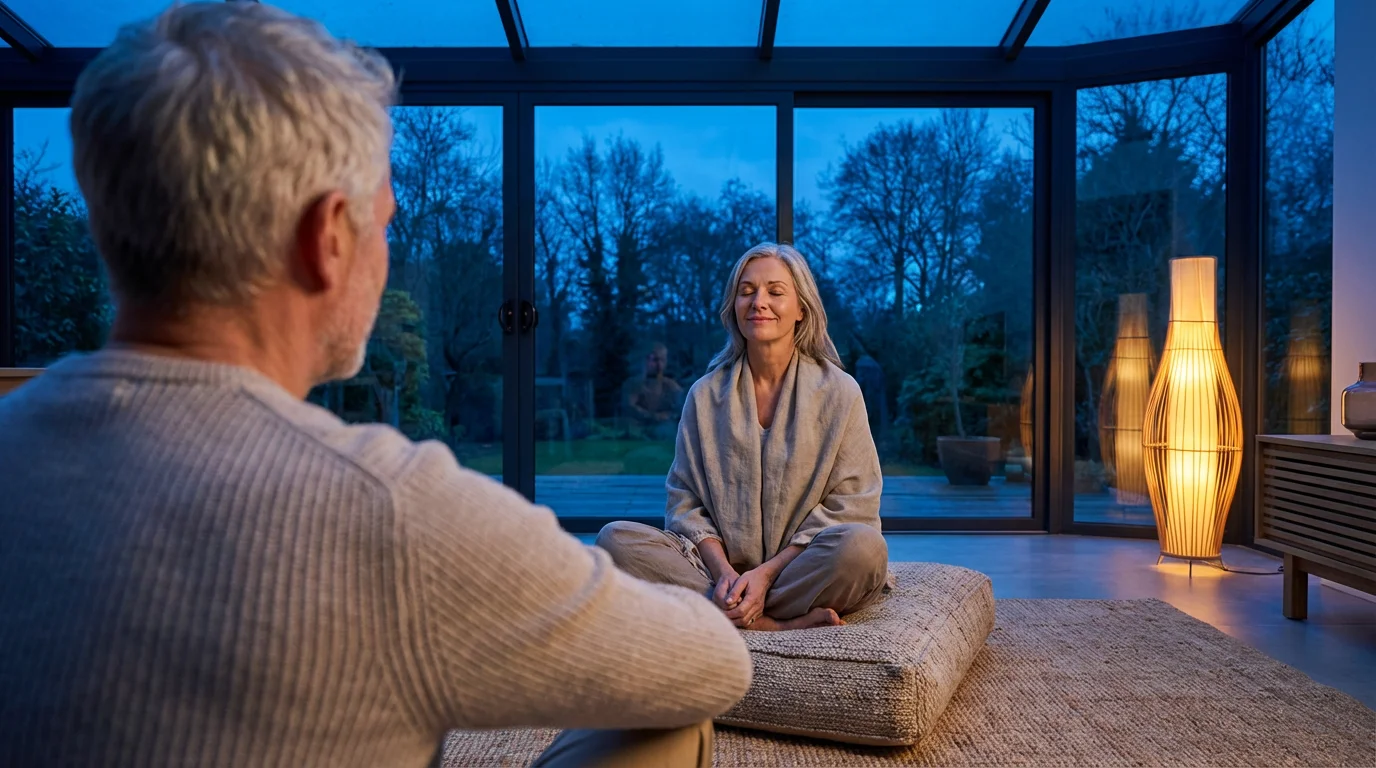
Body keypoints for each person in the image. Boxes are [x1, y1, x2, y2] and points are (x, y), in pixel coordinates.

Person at [0, 4, 750, 767]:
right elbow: (715, 665)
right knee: (672, 719)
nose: (385, 251)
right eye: (384, 223)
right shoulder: (392, 509)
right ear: (327, 239)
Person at [597, 243, 890, 632]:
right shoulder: (705, 395)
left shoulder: (840, 392)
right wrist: (723, 576)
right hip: (718, 573)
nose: (759, 302)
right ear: (733, 306)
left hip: (797, 568)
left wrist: (766, 574)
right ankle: (771, 622)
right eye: (747, 291)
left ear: (802, 308)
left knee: (863, 550)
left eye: (775, 291)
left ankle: (726, 613)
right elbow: (684, 503)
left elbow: (854, 504)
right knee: (614, 541)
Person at [627, 342, 684, 439]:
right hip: (637, 431)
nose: (659, 365)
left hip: (664, 431)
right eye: (655, 360)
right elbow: (629, 408)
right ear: (646, 360)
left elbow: (682, 407)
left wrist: (670, 416)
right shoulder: (635, 385)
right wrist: (653, 416)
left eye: (663, 360)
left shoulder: (671, 386)